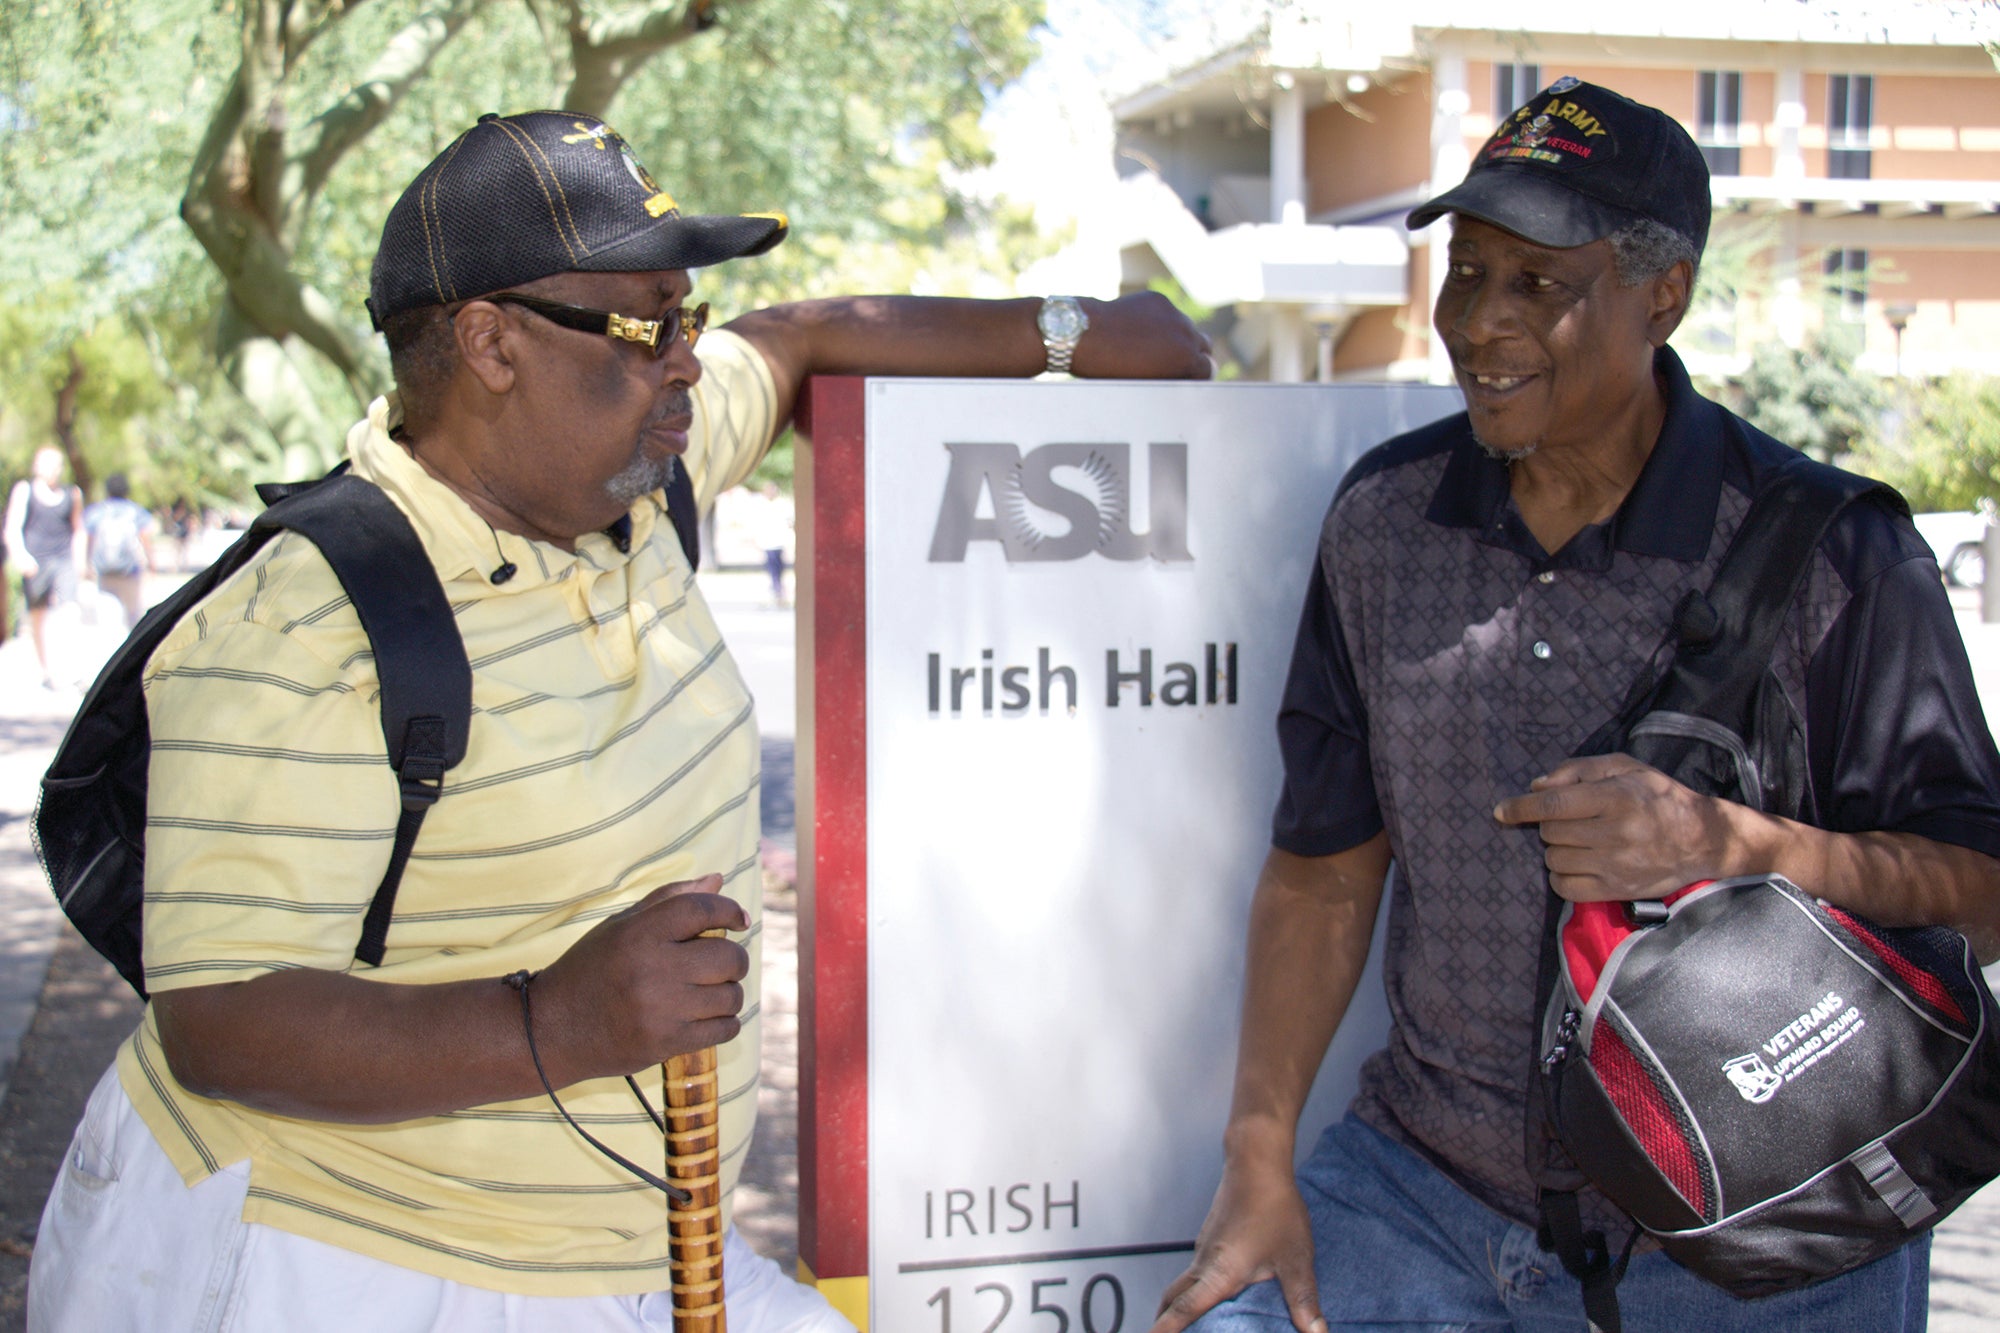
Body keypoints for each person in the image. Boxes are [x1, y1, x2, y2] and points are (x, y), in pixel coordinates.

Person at [27, 110, 1207, 1333]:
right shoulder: (306, 621)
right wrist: (560, 1020)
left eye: (687, 319)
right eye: (649, 326)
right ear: (489, 343)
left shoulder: (640, 489)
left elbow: (798, 341)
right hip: (338, 1258)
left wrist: (1078, 332)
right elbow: (221, 1018)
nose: (688, 361)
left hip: (628, 1249)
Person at [1151, 78, 2000, 1333]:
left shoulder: (1836, 552)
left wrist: (1735, 848)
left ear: (1662, 295)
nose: (1479, 322)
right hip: (1423, 1192)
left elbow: (1979, 892)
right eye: (1464, 270)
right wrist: (1259, 1153)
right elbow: (1325, 871)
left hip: (1765, 1233)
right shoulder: (1383, 522)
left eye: (1538, 283)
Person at [5, 445, 85, 689]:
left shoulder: (72, 494)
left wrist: (80, 561)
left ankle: (73, 671)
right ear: (37, 466)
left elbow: (78, 529)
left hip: (63, 559)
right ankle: (44, 670)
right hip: (36, 561)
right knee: (37, 618)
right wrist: (20, 556)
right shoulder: (24, 491)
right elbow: (12, 528)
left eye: (56, 464)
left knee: (70, 611)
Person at [83, 472, 158, 630]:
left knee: (107, 614)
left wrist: (87, 563)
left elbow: (89, 537)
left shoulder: (97, 511)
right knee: (132, 615)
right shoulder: (135, 511)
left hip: (105, 571)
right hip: (129, 571)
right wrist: (152, 563)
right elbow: (145, 537)